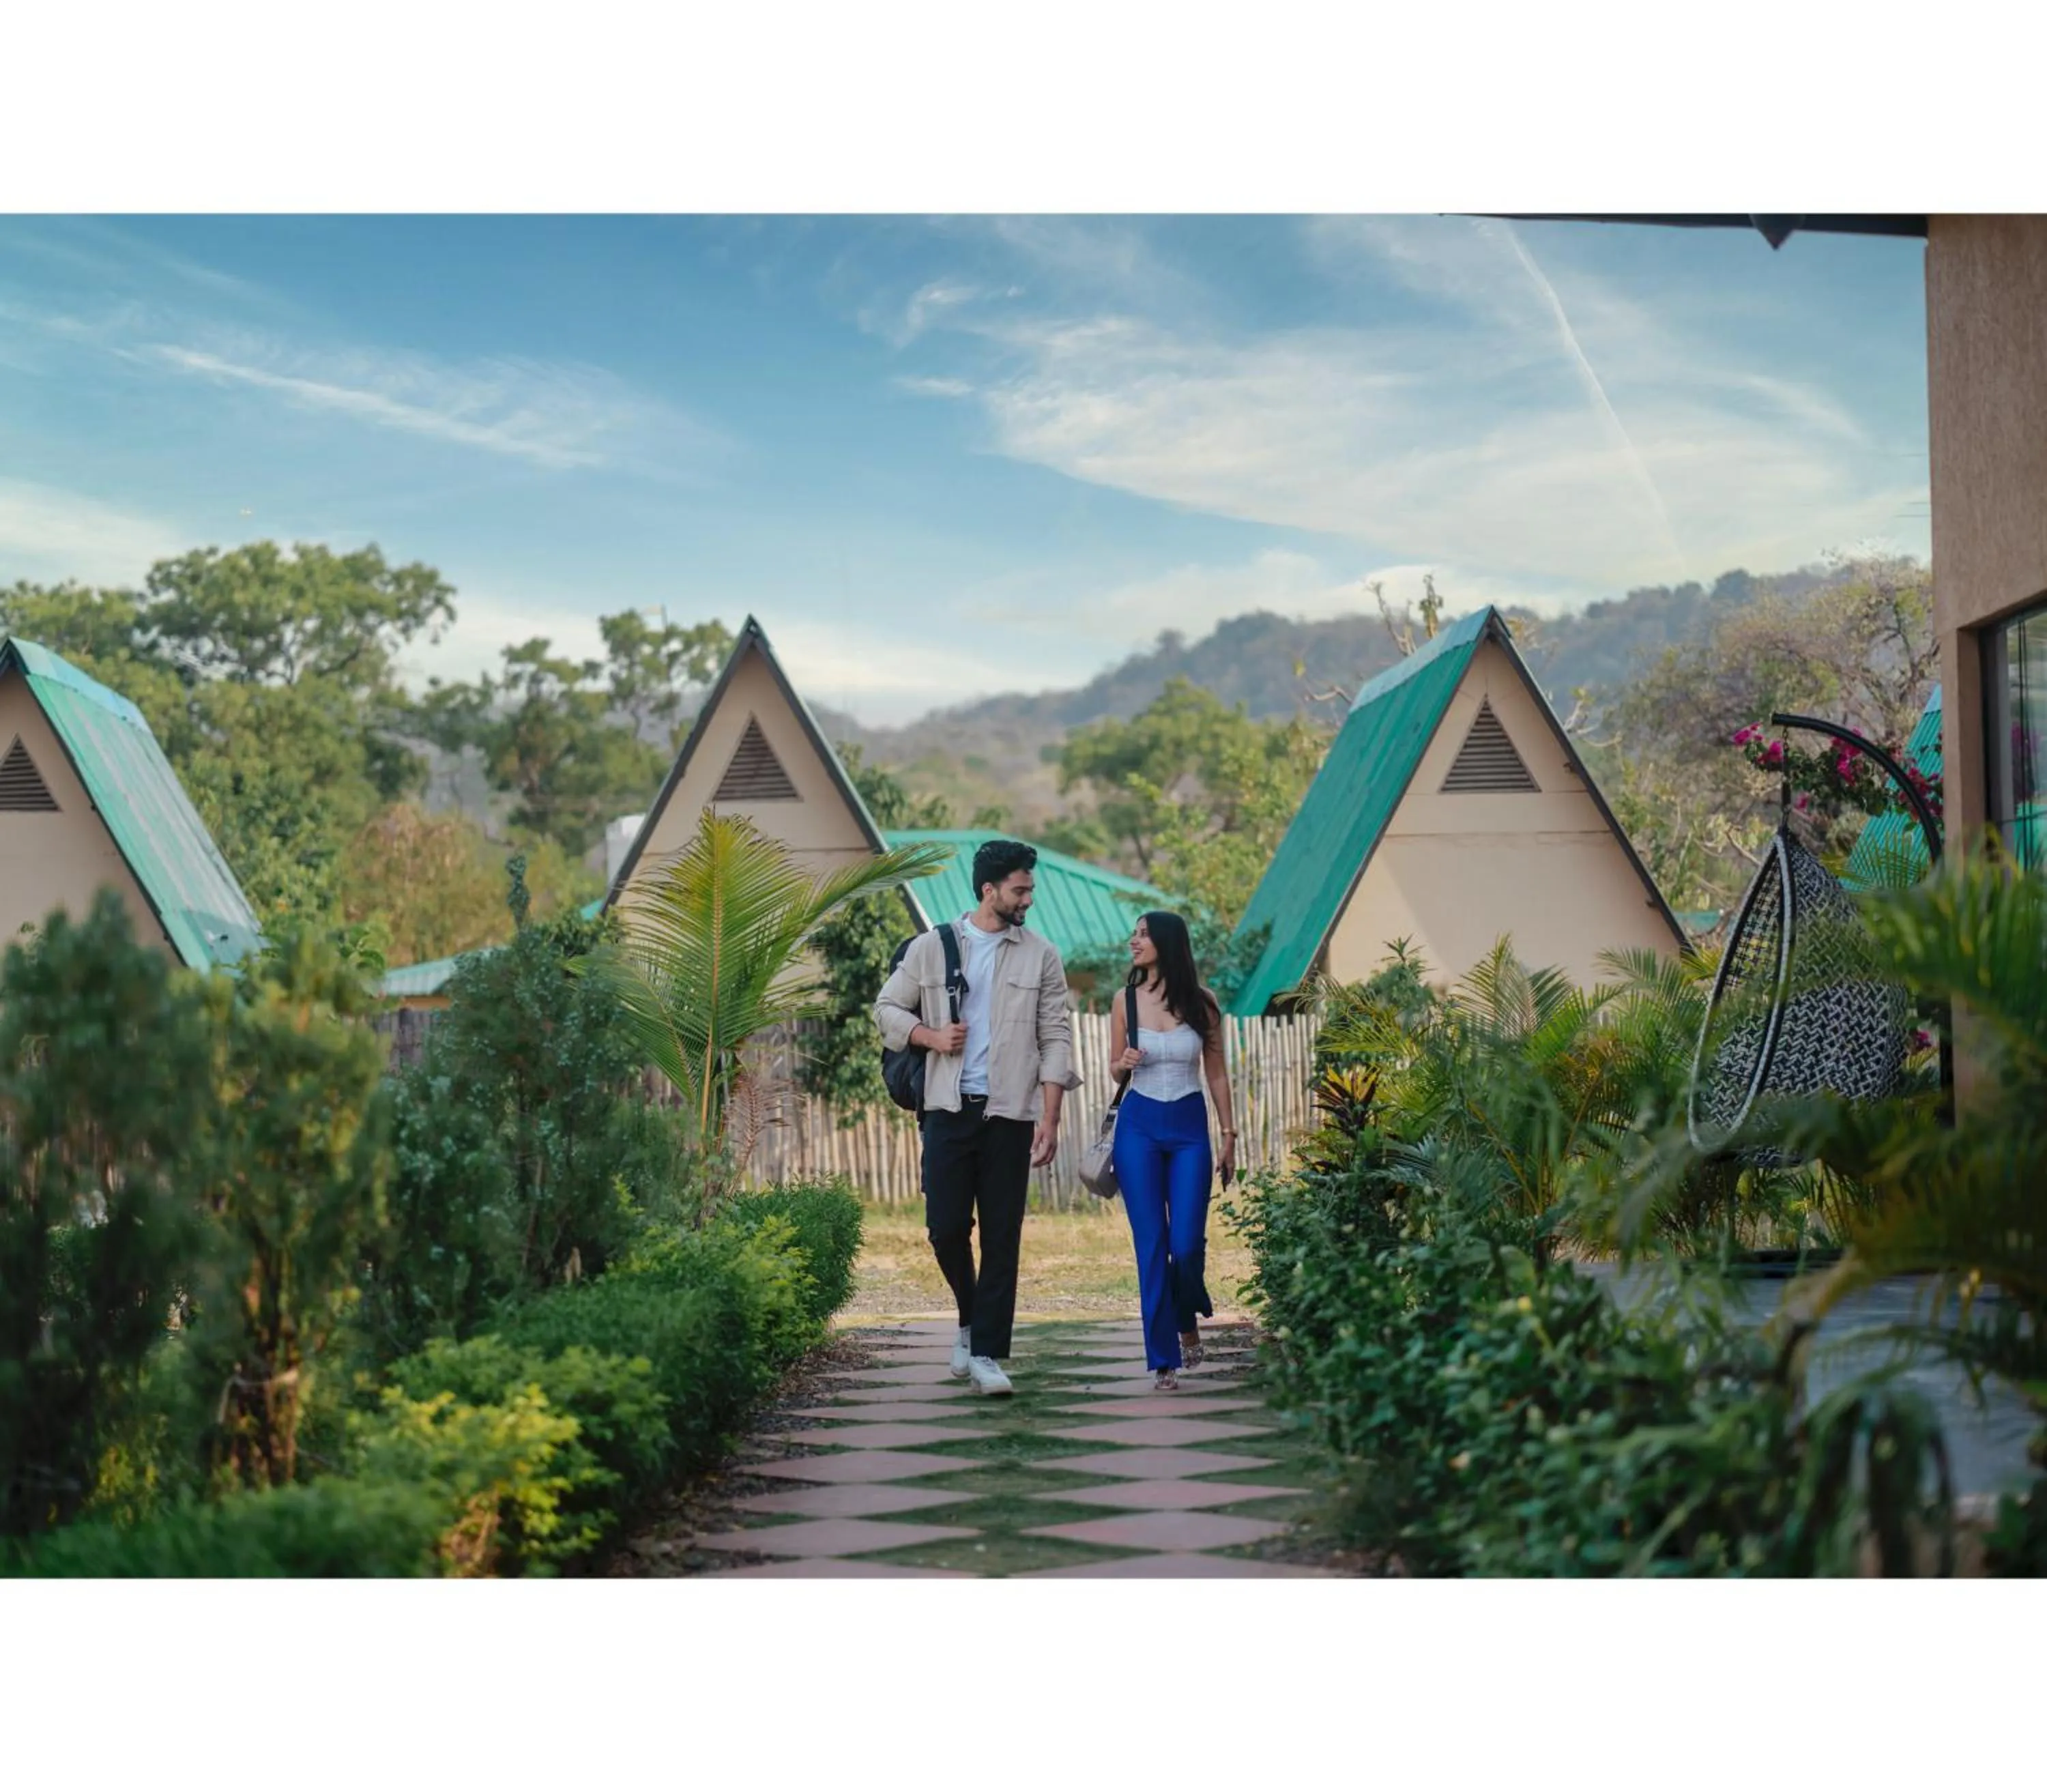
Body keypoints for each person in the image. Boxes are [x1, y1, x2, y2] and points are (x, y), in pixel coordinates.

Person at [873, 839, 1080, 1396]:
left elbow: (1056, 1036)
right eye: (1021, 889)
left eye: (1030, 888)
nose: (1029, 898)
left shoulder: (1042, 955)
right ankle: (969, 1317)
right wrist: (931, 1036)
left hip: (1010, 1113)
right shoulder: (932, 948)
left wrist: (1051, 1117)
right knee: (945, 1228)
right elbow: (887, 1009)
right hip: (947, 1109)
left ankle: (988, 1352)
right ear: (989, 891)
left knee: (1003, 1235)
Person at [1109, 910, 1238, 1392]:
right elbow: (1114, 1072)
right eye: (1134, 934)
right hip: (1138, 1127)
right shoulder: (1124, 1001)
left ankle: (1186, 1316)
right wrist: (1122, 1064)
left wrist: (1229, 1135)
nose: (1134, 941)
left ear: (1167, 941)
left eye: (1143, 934)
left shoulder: (1202, 1003)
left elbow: (1217, 1072)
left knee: (1185, 1244)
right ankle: (1163, 1358)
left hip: (1188, 1128)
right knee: (1153, 1245)